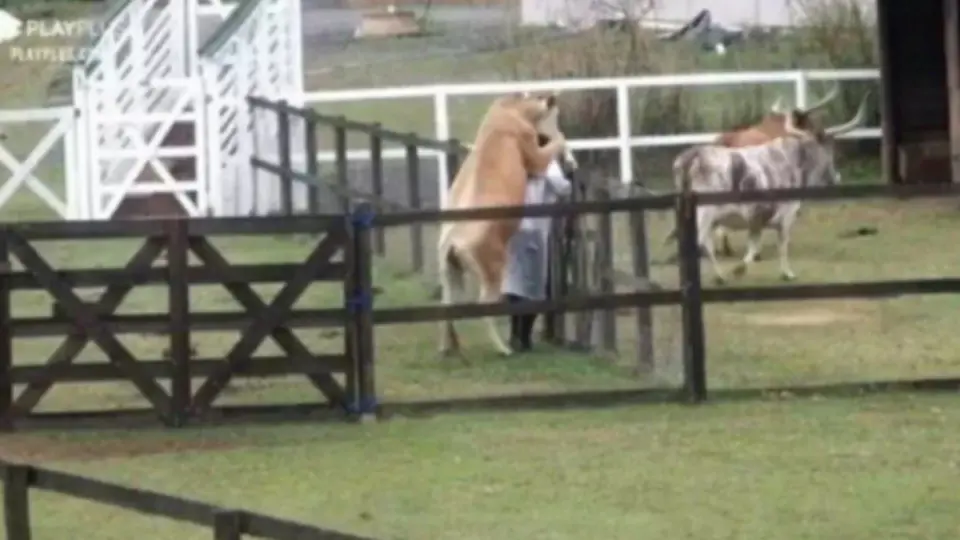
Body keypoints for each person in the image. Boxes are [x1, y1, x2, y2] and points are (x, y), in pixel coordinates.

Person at [502, 135, 573, 352]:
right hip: (534, 231)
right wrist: (569, 169)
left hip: (512, 228)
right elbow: (562, 187)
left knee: (514, 283)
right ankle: (524, 336)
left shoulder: (514, 161)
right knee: (532, 286)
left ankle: (515, 333)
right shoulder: (546, 163)